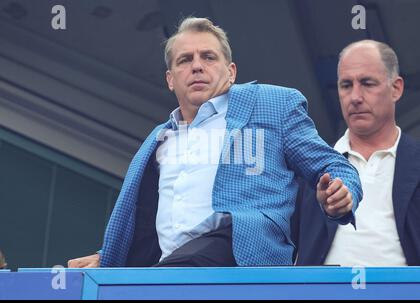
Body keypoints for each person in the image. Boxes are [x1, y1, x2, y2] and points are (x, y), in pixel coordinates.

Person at [68, 17, 362, 268]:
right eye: (185, 60)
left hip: (240, 258)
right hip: (172, 270)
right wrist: (108, 257)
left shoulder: (273, 104)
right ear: (170, 79)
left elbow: (332, 164)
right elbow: (143, 222)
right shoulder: (159, 140)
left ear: (231, 72)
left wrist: (342, 192)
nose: (197, 66)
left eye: (208, 57)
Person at [292, 40, 420, 266]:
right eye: (346, 85)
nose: (355, 97)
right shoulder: (307, 169)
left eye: (367, 83)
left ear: (396, 88)